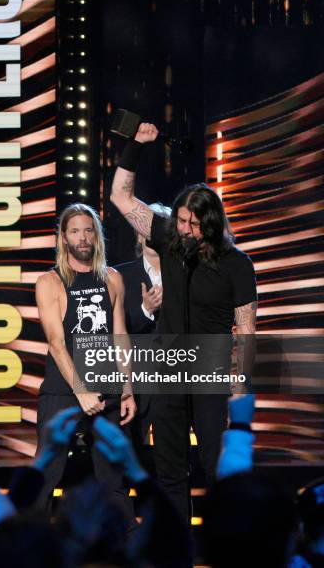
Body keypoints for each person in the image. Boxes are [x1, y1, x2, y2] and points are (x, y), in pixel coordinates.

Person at [110, 123, 257, 520]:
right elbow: (120, 198)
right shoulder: (170, 239)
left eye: (193, 224)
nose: (185, 230)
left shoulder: (236, 264)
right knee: (169, 467)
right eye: (180, 221)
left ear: (210, 223)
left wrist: (239, 385)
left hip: (210, 371)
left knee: (215, 464)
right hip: (169, 368)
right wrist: (135, 146)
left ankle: (227, 543)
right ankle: (178, 551)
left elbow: (245, 328)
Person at [35, 203, 137, 527]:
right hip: (63, 389)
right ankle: (26, 549)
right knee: (46, 474)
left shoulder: (113, 279)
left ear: (96, 236)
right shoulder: (49, 282)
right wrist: (81, 391)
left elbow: (120, 335)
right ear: (63, 237)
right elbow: (56, 342)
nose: (82, 237)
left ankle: (126, 551)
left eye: (88, 230)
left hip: (107, 386)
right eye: (75, 231)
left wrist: (127, 391)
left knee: (114, 478)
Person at [115, 203, 171, 453]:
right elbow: (115, 328)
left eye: (160, 226)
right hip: (136, 382)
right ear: (139, 233)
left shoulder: (185, 274)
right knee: (132, 456)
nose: (153, 233)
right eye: (147, 226)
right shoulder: (120, 276)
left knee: (173, 456)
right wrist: (146, 309)